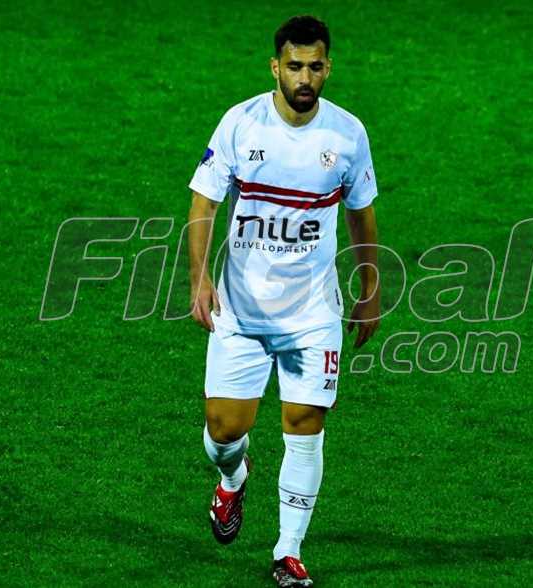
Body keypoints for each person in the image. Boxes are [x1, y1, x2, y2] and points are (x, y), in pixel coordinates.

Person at [186, 15, 381, 587]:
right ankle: (233, 478)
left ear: (328, 68)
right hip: (241, 310)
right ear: (275, 67)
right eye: (294, 66)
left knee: (305, 422)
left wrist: (370, 290)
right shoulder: (241, 123)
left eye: (315, 67)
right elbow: (203, 203)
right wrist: (200, 279)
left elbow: (361, 212)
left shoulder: (347, 135)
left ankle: (287, 552)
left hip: (313, 314)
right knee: (223, 431)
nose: (304, 78)